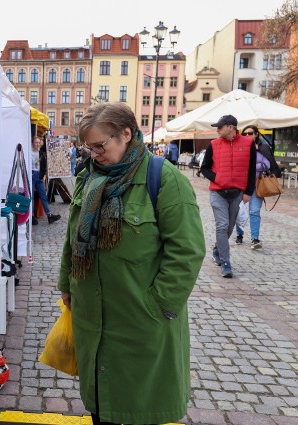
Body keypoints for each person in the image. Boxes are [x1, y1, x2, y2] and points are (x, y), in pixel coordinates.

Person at [57, 102, 205, 425]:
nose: (94, 154)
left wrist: (158, 305)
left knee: (139, 408)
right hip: (92, 323)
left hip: (141, 325)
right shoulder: (89, 177)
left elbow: (188, 250)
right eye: (89, 147)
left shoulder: (163, 179)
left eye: (100, 145)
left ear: (126, 133)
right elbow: (72, 236)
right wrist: (67, 284)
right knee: (102, 408)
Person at [200, 115, 256, 277]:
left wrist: (248, 192)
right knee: (222, 226)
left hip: (237, 193)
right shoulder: (213, 145)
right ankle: (226, 263)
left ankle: (218, 249)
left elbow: (251, 170)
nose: (217, 130)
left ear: (230, 127)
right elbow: (204, 168)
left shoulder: (248, 144)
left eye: (220, 127)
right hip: (218, 193)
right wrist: (218, 178)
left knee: (230, 228)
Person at [234, 125, 281, 249]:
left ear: (256, 135)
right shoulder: (239, 147)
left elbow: (268, 164)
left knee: (254, 211)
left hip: (257, 183)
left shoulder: (264, 148)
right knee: (239, 210)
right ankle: (239, 234)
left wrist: (257, 151)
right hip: (242, 184)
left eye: (250, 133)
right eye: (245, 134)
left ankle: (255, 239)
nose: (247, 136)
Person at [31, 136, 60, 225]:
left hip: (39, 176)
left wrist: (43, 175)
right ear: (32, 143)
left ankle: (49, 215)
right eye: (36, 142)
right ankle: (31, 216)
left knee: (43, 196)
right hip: (31, 175)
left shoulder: (41, 154)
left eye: (39, 142)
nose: (37, 144)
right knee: (30, 197)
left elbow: (43, 166)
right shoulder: (30, 153)